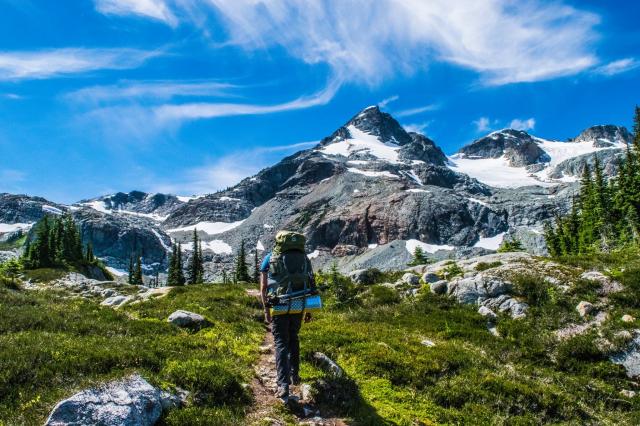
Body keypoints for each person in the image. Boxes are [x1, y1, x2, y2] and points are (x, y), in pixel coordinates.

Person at [260, 232, 314, 402]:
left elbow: (263, 287)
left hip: (279, 304)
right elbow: (311, 282)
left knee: (281, 342)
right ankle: (295, 375)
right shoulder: (304, 258)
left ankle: (283, 384)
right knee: (294, 338)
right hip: (299, 303)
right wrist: (309, 309)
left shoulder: (270, 257)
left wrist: (266, 310)